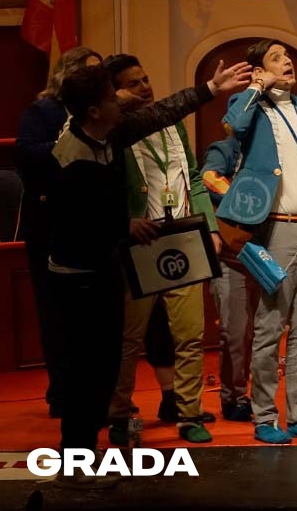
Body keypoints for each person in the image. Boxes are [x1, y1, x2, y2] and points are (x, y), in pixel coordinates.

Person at [47, 60, 249, 488]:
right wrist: (124, 226)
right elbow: (75, 221)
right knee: (89, 373)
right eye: (114, 96)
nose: (123, 101)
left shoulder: (109, 132)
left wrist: (211, 87)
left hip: (106, 264)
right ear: (94, 110)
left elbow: (162, 113)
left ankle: (84, 458)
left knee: (102, 369)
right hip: (79, 276)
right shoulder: (73, 155)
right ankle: (76, 463)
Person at [216, 40, 297, 445]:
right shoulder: (251, 107)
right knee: (271, 324)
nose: (287, 62)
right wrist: (256, 87)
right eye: (276, 58)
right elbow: (234, 123)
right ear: (258, 70)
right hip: (277, 229)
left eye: (287, 56)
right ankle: (266, 416)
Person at [102, 54, 219, 444]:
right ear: (115, 92)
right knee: (130, 339)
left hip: (183, 238)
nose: (145, 87)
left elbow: (195, 177)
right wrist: (123, 222)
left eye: (146, 79)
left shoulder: (173, 123)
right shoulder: (114, 132)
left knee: (190, 335)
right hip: (141, 243)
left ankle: (189, 414)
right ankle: (120, 415)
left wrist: (210, 226)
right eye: (133, 83)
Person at [16, 46, 102, 418]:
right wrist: (71, 144)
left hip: (93, 226)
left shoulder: (102, 113)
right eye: (89, 71)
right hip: (50, 225)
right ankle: (62, 392)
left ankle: (95, 392)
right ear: (67, 73)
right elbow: (27, 154)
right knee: (56, 314)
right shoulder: (44, 111)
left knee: (94, 318)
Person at [201, 135, 258, 422]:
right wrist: (249, 201)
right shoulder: (226, 148)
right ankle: (233, 396)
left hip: (261, 252)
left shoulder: (271, 152)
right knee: (235, 332)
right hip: (230, 254)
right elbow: (208, 178)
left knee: (254, 332)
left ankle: (249, 394)